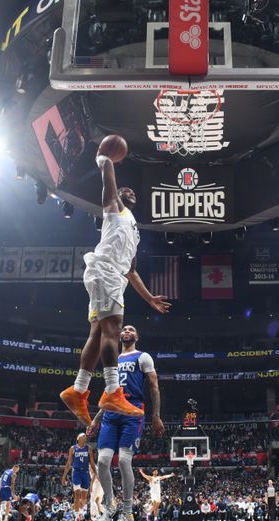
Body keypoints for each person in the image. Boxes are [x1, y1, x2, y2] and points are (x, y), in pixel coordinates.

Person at [60, 144, 171, 427]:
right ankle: (111, 392)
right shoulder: (114, 208)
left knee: (97, 332)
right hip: (105, 272)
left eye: (133, 192)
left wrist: (149, 299)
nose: (130, 192)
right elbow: (108, 180)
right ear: (118, 197)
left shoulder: (134, 229)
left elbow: (132, 271)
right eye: (126, 191)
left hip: (113, 276)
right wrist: (105, 158)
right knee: (112, 330)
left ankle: (78, 390)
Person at [86, 325, 166, 521]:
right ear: (120, 335)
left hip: (132, 411)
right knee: (102, 462)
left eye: (132, 329)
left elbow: (154, 386)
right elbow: (109, 392)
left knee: (123, 460)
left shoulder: (143, 357)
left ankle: (128, 512)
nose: (127, 330)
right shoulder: (113, 360)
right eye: (124, 329)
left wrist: (156, 415)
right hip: (111, 413)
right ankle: (110, 508)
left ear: (137, 336)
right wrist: (96, 419)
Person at [62, 432, 96, 521]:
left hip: (85, 473)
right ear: (78, 438)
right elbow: (69, 463)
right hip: (76, 472)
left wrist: (95, 473)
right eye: (83, 436)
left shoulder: (88, 448)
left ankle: (80, 513)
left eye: (85, 436)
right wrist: (64, 476)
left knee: (84, 498)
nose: (85, 436)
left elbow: (92, 462)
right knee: (77, 494)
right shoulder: (73, 448)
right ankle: (77, 517)